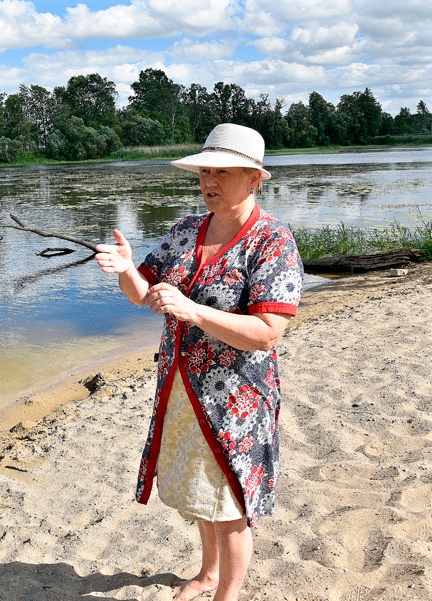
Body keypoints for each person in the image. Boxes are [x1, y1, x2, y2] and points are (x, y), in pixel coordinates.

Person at [95, 123, 303, 601]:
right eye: (205, 171)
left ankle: (224, 596)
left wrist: (194, 311)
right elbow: (144, 296)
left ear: (254, 179)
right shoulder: (186, 229)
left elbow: (268, 333)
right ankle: (208, 574)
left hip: (236, 400)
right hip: (181, 388)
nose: (210, 181)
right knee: (199, 492)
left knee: (229, 506)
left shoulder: (272, 241)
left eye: (222, 173)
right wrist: (127, 268)